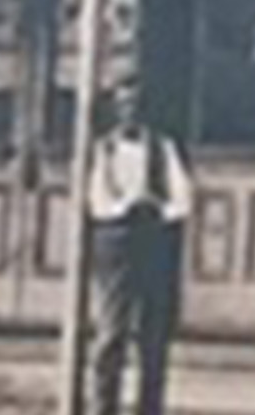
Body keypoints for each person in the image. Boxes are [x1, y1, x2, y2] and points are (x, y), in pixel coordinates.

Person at [79, 78, 191, 415]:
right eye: (123, 105)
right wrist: (123, 206)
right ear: (115, 110)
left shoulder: (162, 147)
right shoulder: (104, 149)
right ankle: (104, 406)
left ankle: (149, 408)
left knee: (153, 334)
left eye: (136, 105)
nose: (130, 112)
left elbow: (182, 197)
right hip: (116, 242)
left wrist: (158, 207)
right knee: (112, 330)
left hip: (152, 239)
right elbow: (97, 198)